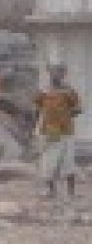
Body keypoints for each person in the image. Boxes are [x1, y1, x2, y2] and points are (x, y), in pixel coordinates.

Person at [34, 64, 81, 201]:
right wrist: (38, 126)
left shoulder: (69, 92)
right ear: (50, 75)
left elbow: (78, 109)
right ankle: (51, 191)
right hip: (49, 132)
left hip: (66, 132)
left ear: (63, 75)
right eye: (53, 73)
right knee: (49, 162)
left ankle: (71, 192)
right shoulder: (44, 91)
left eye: (59, 73)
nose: (56, 76)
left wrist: (65, 116)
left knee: (68, 163)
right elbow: (37, 109)